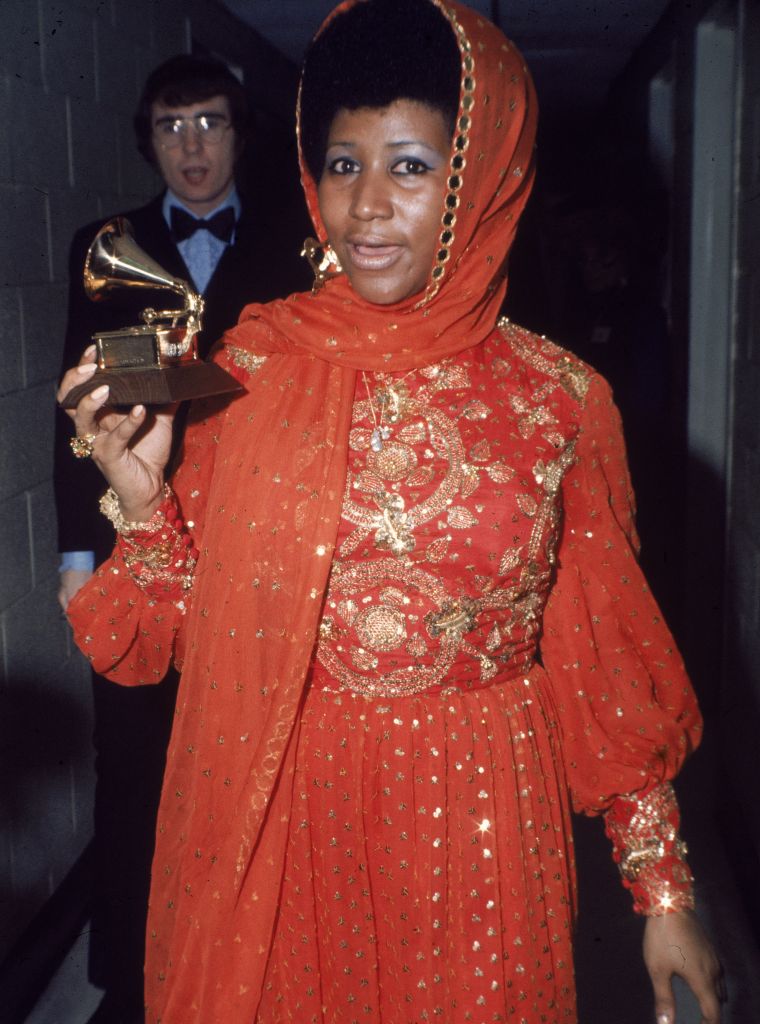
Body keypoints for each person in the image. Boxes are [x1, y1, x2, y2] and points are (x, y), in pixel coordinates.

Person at [59, 2, 723, 1021]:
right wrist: (145, 502)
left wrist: (662, 891)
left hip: (484, 824)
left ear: (479, 173)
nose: (365, 207)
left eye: (409, 167)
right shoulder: (253, 369)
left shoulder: (558, 401)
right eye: (341, 165)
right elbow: (165, 636)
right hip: (291, 814)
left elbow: (603, 656)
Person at [54, 53, 309, 1023]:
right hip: (134, 542)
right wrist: (78, 562)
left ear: (241, 133)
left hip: (256, 548)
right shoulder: (100, 245)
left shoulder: (301, 245)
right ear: (146, 138)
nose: (191, 146)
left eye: (210, 122)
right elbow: (68, 416)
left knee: (248, 758)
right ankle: (132, 974)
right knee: (129, 760)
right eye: (171, 126)